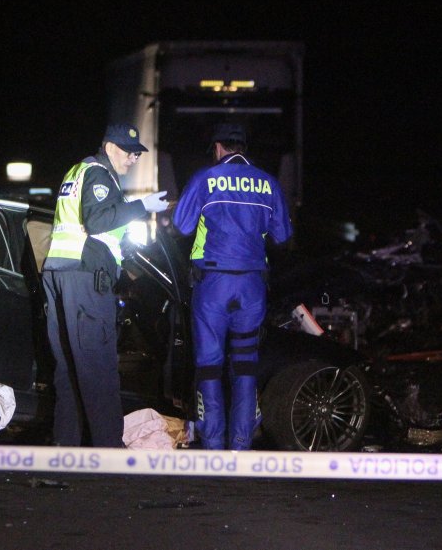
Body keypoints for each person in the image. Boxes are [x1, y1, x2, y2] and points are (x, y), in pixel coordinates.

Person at [42, 123, 169, 447]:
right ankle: (109, 455)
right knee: (99, 370)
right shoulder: (99, 173)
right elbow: (97, 220)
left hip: (60, 274)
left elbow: (99, 229)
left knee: (69, 371)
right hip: (84, 281)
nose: (132, 159)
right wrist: (142, 206)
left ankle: (64, 450)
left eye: (137, 154)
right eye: (129, 152)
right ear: (110, 146)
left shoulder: (77, 170)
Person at [171, 123, 293, 450]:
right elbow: (282, 236)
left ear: (218, 148)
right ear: (244, 149)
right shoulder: (269, 183)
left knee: (209, 366)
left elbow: (181, 226)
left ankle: (212, 446)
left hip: (213, 284)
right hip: (252, 286)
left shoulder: (205, 178)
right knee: (245, 365)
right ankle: (240, 445)